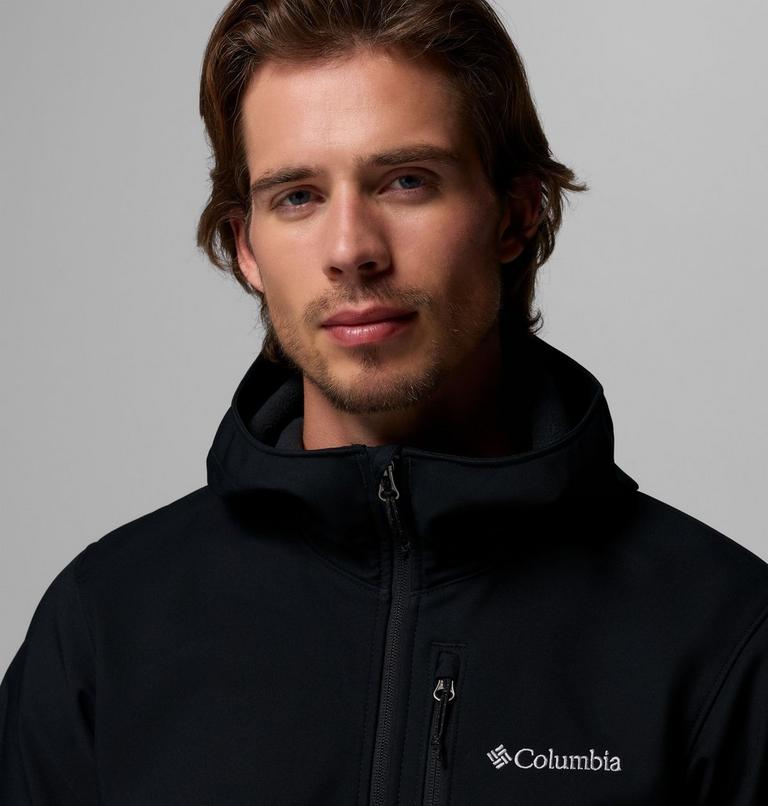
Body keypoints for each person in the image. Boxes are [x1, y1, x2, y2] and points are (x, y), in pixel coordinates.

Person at [1, 0, 766, 802]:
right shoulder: (104, 628)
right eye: (297, 196)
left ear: (516, 213)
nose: (351, 251)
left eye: (406, 181)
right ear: (246, 246)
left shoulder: (723, 635)